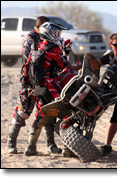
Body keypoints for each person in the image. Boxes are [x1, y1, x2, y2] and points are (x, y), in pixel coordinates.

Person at [6, 16, 62, 154]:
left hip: (45, 83)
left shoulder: (52, 41)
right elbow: (28, 61)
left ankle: (49, 144)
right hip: (29, 82)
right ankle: (10, 143)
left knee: (46, 113)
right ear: (38, 28)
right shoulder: (30, 38)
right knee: (23, 112)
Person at [24, 22, 81, 156]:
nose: (59, 36)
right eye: (57, 33)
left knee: (41, 115)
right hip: (52, 87)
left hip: (38, 87)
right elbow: (63, 65)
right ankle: (68, 148)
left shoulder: (36, 47)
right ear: (50, 33)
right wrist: (65, 51)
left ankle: (30, 146)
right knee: (66, 112)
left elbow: (27, 66)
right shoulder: (53, 48)